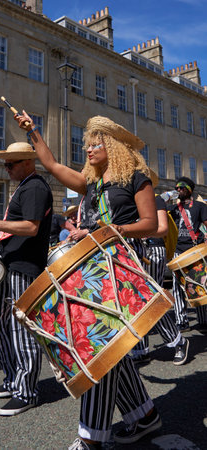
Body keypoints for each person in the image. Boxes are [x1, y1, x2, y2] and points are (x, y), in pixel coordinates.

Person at [16, 111, 162, 448]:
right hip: (92, 269)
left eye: (95, 144)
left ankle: (91, 438)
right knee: (111, 349)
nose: (88, 150)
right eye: (87, 145)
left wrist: (110, 230)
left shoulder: (137, 178)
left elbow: (151, 223)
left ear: (111, 145)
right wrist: (32, 131)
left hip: (122, 269)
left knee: (99, 348)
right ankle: (146, 416)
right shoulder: (92, 183)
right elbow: (52, 165)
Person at [0, 142, 53, 416]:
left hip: (25, 266)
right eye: (6, 164)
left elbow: (31, 227)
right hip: (10, 263)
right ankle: (13, 378)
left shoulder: (35, 186)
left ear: (28, 163)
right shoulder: (24, 186)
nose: (7, 168)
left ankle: (27, 391)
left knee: (21, 328)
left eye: (12, 163)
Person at [132, 190, 189, 365]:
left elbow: (162, 229)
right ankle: (141, 348)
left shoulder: (155, 199)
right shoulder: (128, 201)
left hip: (152, 249)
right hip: (134, 250)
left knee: (150, 299)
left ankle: (178, 341)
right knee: (136, 301)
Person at [169, 177, 207, 333]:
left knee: (199, 285)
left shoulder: (199, 206)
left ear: (189, 189)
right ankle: (181, 321)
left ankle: (203, 320)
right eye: (177, 188)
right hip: (178, 252)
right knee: (177, 287)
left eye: (181, 187)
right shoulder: (173, 209)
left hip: (194, 251)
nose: (178, 190)